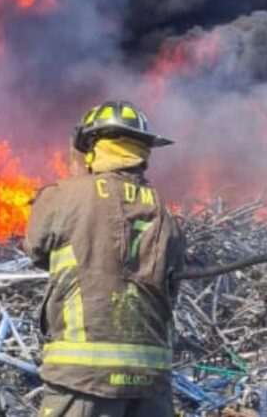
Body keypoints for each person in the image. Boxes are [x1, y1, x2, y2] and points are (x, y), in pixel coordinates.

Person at [26, 100, 185, 417]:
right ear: (143, 153)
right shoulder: (166, 214)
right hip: (151, 382)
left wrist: (77, 176)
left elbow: (36, 248)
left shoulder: (64, 195)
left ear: (92, 148)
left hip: (83, 379)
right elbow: (172, 288)